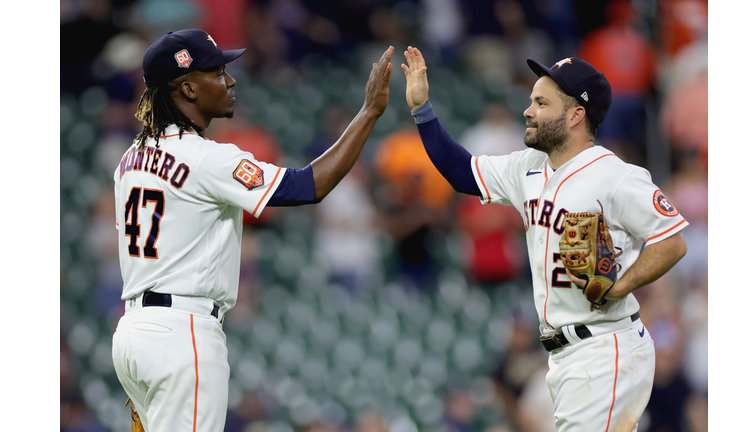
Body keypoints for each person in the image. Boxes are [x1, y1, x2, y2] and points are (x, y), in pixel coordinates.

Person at [111, 29, 393, 432]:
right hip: (182, 333)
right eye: (218, 71)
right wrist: (368, 113)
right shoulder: (207, 158)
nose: (230, 80)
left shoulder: (130, 157)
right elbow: (308, 186)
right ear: (188, 88)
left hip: (134, 334)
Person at [401, 46, 688, 431]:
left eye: (541, 102)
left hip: (605, 347)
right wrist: (423, 110)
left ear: (575, 115)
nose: (528, 110)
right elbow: (462, 173)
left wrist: (621, 286)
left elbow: (671, 242)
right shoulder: (527, 167)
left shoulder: (616, 176)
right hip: (566, 354)